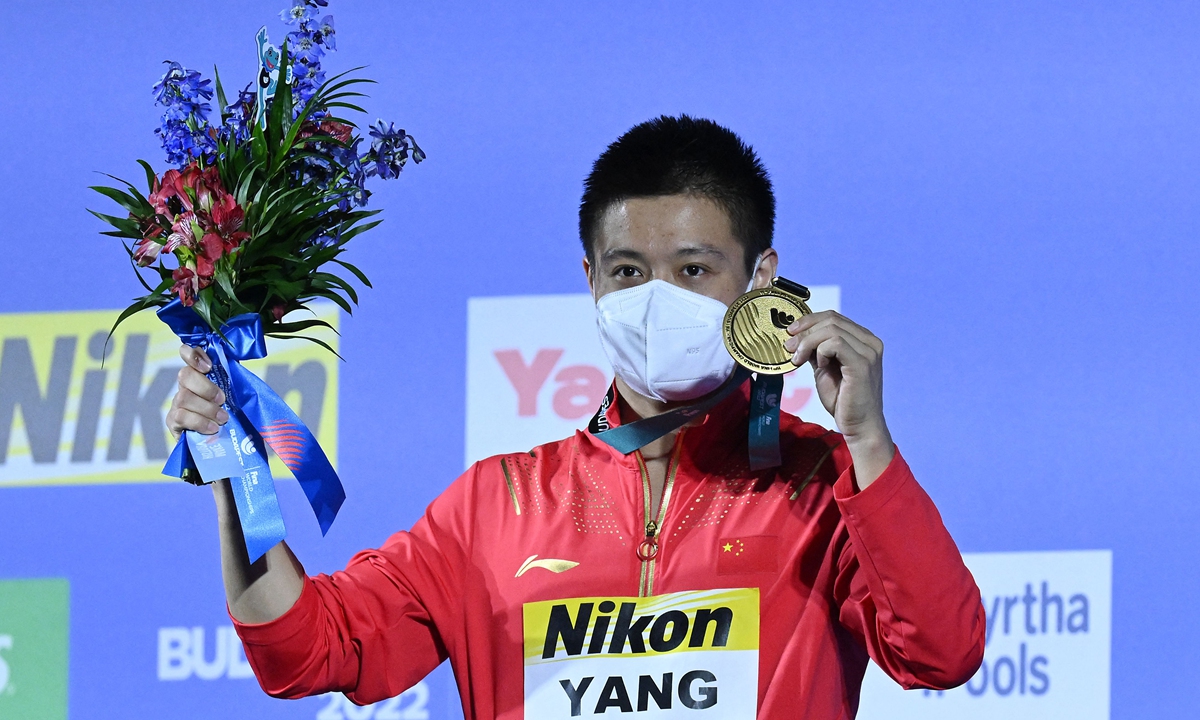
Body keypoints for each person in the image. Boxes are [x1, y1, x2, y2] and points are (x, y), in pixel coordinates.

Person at [167, 115, 984, 719]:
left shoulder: (823, 487)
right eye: (628, 270)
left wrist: (867, 442)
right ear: (590, 277)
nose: (657, 297)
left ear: (761, 277)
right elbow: (307, 649)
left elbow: (942, 653)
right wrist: (234, 474)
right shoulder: (495, 505)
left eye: (694, 269)